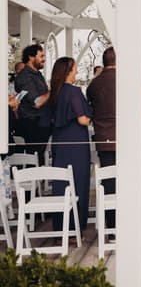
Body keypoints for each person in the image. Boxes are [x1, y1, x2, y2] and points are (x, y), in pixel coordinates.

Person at [49, 57, 92, 234]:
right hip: (76, 143)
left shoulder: (55, 92)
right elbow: (83, 119)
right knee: (78, 181)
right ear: (68, 71)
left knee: (61, 182)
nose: (76, 72)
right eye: (75, 69)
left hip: (59, 141)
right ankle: (74, 228)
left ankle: (61, 228)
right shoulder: (74, 92)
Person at [87, 47, 116, 233]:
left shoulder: (93, 85)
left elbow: (91, 109)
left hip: (104, 138)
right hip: (127, 138)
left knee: (109, 183)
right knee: (135, 180)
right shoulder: (128, 80)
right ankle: (134, 225)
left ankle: (112, 227)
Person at [14, 44, 52, 166]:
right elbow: (37, 102)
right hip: (32, 124)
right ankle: (33, 183)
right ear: (31, 57)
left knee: (39, 159)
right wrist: (54, 89)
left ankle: (40, 183)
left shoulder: (38, 75)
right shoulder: (25, 77)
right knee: (34, 160)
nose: (44, 59)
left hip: (42, 123)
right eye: (41, 56)